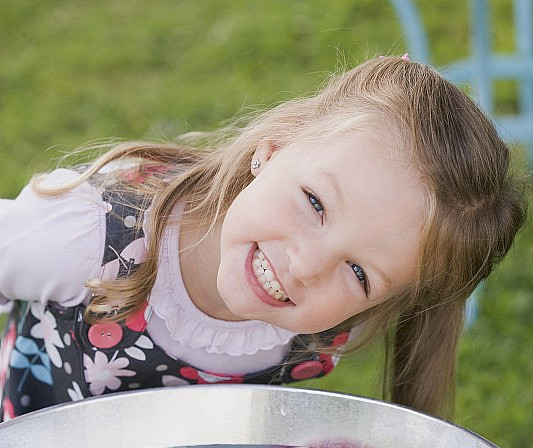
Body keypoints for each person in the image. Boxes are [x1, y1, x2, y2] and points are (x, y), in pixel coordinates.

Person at [0, 56, 527, 422]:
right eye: (315, 204)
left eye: (359, 272)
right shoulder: (88, 239)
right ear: (273, 149)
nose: (306, 265)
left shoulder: (320, 332)